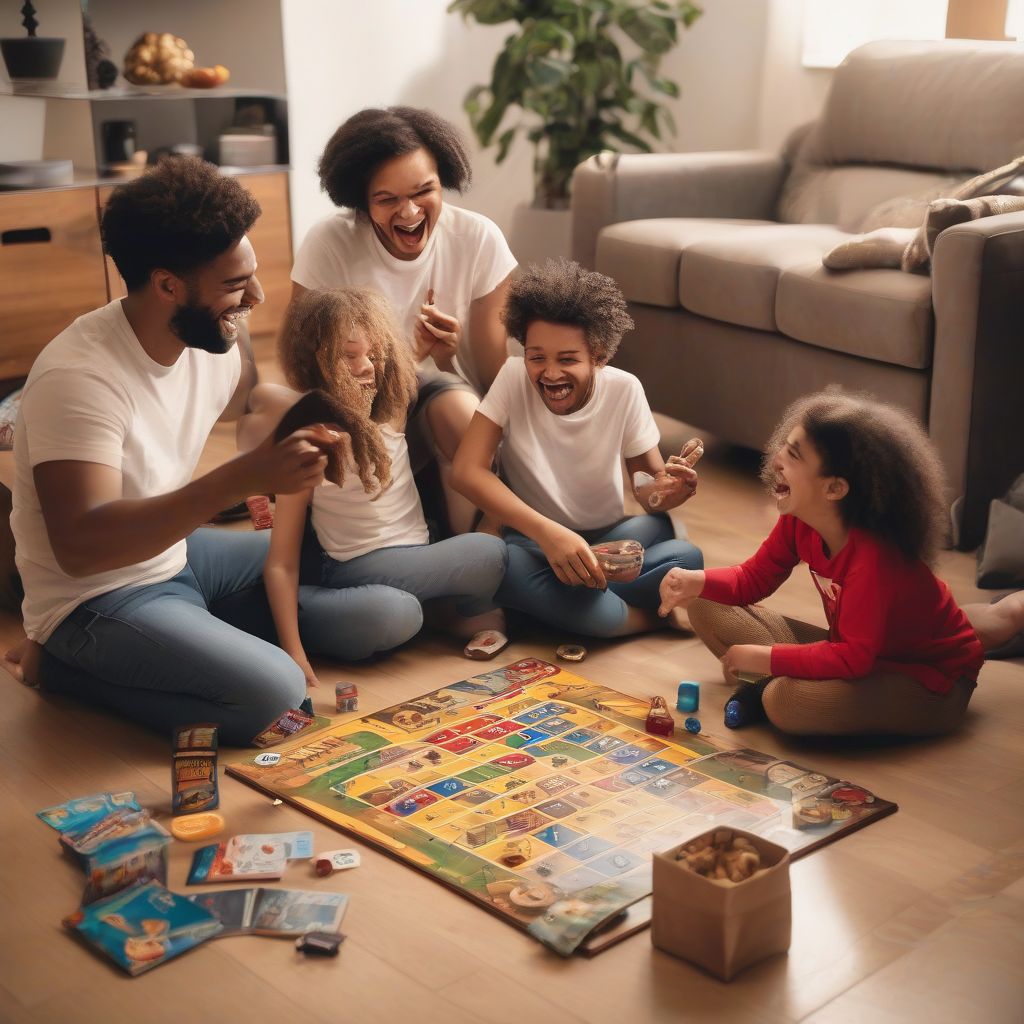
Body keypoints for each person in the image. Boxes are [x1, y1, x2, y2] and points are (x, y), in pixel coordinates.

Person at [6, 157, 333, 745]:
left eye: (252, 274)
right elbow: (81, 549)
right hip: (94, 597)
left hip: (176, 556)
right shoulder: (78, 379)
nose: (257, 296)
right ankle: (63, 665)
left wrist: (326, 414)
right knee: (276, 695)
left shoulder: (210, 338)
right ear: (166, 285)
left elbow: (250, 404)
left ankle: (188, 634)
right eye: (236, 285)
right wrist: (238, 479)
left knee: (338, 568)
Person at [658, 388, 988, 737]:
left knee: (788, 703)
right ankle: (767, 687)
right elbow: (753, 578)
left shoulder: (875, 560)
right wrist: (696, 581)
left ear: (834, 489)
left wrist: (765, 658)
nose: (775, 461)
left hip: (927, 681)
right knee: (706, 602)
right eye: (785, 446)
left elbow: (852, 658)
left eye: (794, 455)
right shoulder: (800, 520)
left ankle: (763, 690)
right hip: (857, 656)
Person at [242, 287, 509, 687]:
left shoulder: (393, 405)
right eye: (349, 356)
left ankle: (434, 611)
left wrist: (437, 353)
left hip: (416, 557)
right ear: (316, 361)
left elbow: (411, 368)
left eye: (373, 354)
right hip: (353, 569)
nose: (367, 367)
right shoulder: (310, 439)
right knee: (406, 607)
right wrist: (292, 652)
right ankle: (313, 611)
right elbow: (281, 561)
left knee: (475, 580)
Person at [290, 106, 517, 534]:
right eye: (387, 199)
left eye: (423, 192)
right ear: (361, 200)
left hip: (447, 408)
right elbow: (306, 373)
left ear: (444, 179)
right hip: (360, 412)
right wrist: (408, 357)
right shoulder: (330, 243)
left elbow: (493, 376)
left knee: (460, 411)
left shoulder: (478, 239)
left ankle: (479, 552)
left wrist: (448, 360)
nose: (410, 212)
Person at [452, 259, 703, 638]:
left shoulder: (624, 389)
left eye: (567, 359)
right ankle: (634, 618)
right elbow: (466, 471)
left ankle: (565, 602)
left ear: (599, 355)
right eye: (537, 357)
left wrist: (670, 491)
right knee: (502, 561)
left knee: (686, 555)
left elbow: (648, 490)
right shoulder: (512, 378)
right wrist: (549, 535)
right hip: (532, 540)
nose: (550, 373)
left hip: (607, 539)